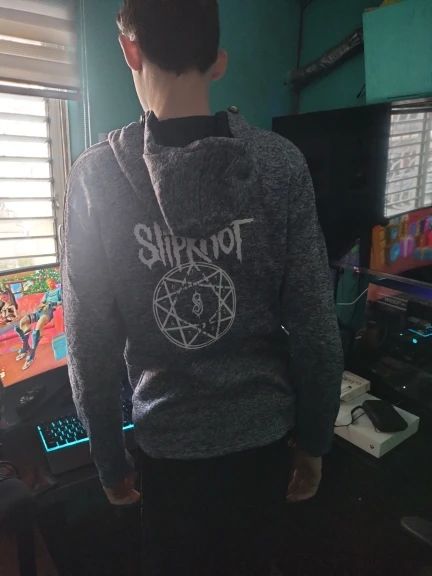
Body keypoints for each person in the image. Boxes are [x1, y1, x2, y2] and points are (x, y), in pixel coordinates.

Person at [62, 1, 343, 574]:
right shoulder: (281, 165)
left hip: (168, 453)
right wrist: (314, 442)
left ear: (130, 51)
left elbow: (88, 346)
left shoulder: (94, 178)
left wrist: (108, 461)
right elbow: (316, 326)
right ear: (218, 62)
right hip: (263, 446)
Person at [15, 279, 62, 371]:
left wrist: (55, 303)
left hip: (49, 312)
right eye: (48, 283)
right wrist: (40, 306)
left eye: (51, 283)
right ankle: (26, 346)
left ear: (54, 282)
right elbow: (42, 303)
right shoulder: (47, 293)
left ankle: (32, 354)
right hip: (40, 312)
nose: (50, 285)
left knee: (38, 325)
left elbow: (63, 301)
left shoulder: (59, 291)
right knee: (23, 322)